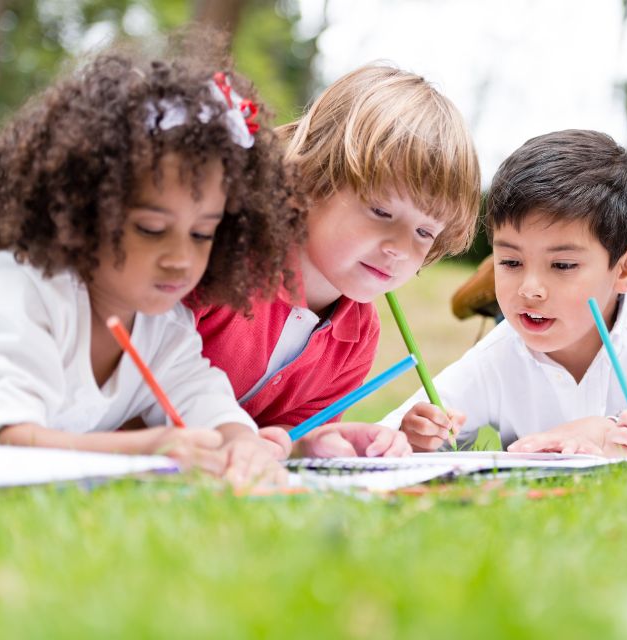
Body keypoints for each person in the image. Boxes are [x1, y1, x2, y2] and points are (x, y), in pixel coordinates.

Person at [0, 39, 300, 486]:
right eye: (152, 229)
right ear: (81, 210)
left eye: (202, 234)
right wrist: (145, 448)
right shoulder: (24, 294)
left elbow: (209, 406)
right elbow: (11, 443)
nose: (181, 259)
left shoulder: (164, 329)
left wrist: (242, 444)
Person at [188, 64, 482, 458]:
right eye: (381, 211)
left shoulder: (358, 335)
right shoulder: (220, 264)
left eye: (424, 233)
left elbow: (288, 435)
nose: (399, 247)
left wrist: (316, 442)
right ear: (304, 184)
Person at [381, 129, 627, 454]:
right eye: (510, 261)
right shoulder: (499, 353)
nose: (530, 289)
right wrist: (417, 435)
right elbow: (395, 436)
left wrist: (602, 435)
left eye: (562, 265)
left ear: (626, 269)